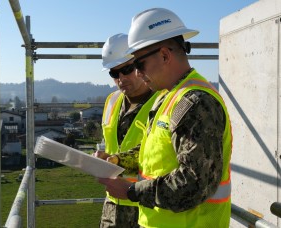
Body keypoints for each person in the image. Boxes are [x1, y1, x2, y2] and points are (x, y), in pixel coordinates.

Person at [98, 8, 232, 228]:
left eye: (138, 65)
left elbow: (194, 184)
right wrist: (117, 161)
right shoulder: (168, 97)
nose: (138, 74)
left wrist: (131, 191)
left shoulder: (196, 103)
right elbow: (153, 154)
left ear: (164, 55)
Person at [94, 33, 160, 228]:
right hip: (112, 204)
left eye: (127, 69)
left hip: (147, 206)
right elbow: (112, 144)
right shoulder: (112, 101)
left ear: (140, 64)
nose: (121, 79)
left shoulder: (162, 102)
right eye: (114, 74)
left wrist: (115, 160)